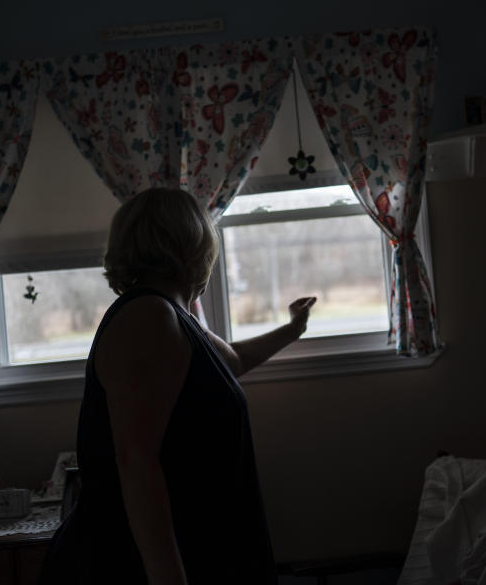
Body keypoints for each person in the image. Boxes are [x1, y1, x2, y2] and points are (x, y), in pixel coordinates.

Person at [39, 187, 316, 584]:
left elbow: (231, 362)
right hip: (136, 561)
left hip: (191, 545)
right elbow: (136, 459)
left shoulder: (173, 315)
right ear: (194, 246)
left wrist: (293, 330)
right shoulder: (149, 317)